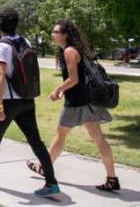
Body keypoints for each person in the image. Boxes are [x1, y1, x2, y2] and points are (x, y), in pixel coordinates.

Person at [0, 7, 60, 197]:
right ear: (16, 24)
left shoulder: (1, 45)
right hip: (27, 99)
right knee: (36, 142)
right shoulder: (24, 41)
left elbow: (0, 74)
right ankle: (52, 183)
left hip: (9, 101)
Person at [26, 19, 119, 192]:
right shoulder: (75, 50)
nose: (52, 35)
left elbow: (73, 79)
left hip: (77, 103)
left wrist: (57, 90)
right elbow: (78, 79)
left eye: (55, 32)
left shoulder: (69, 51)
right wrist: (64, 90)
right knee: (98, 139)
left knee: (60, 135)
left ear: (65, 35)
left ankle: (44, 168)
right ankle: (112, 179)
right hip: (88, 102)